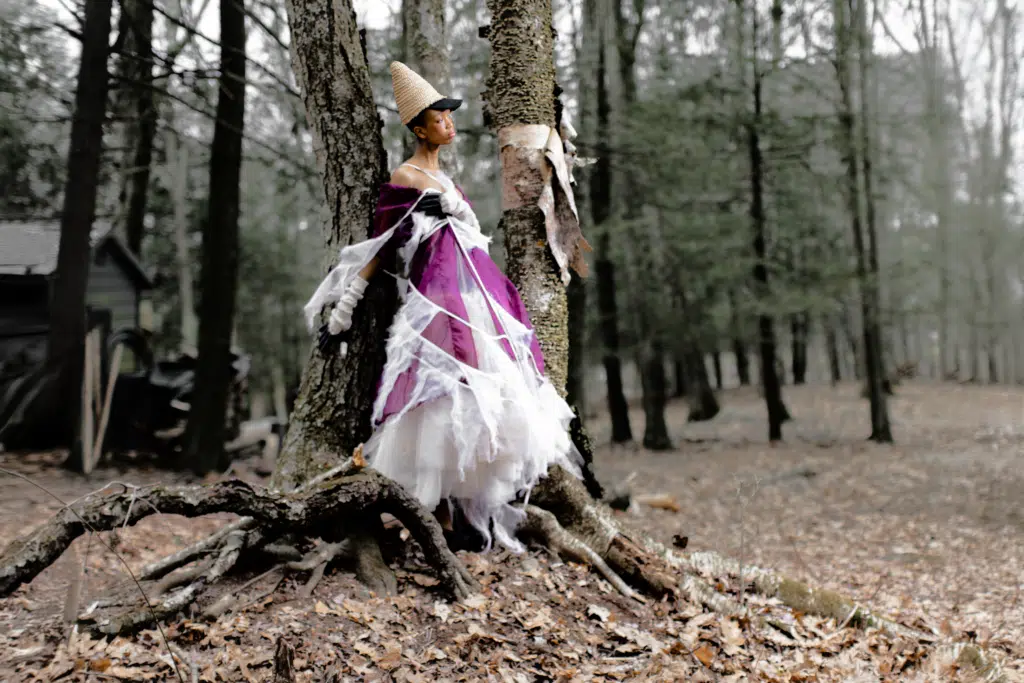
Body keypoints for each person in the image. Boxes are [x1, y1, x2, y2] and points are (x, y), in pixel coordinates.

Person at [305, 62, 582, 553]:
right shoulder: (406, 175)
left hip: (473, 293)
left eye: (449, 116)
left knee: (480, 392)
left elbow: (473, 230)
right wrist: (343, 310)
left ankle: (467, 512)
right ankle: (439, 515)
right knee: (436, 394)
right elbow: (381, 247)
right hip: (434, 299)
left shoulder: (446, 179)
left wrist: (452, 208)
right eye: (440, 118)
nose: (450, 124)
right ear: (418, 128)